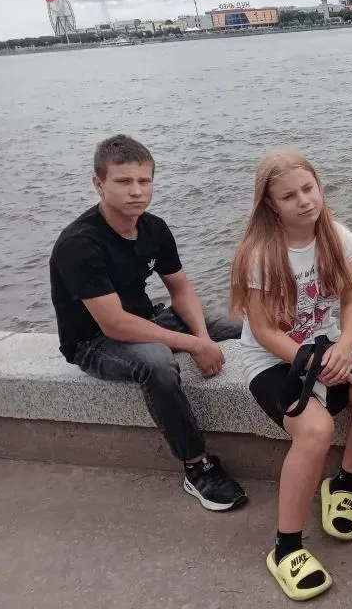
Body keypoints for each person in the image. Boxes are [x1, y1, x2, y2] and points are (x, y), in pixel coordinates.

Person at [230, 150, 352, 601]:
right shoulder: (259, 255)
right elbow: (264, 331)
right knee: (316, 430)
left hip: (328, 349)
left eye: (309, 189)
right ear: (270, 205)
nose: (304, 201)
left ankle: (343, 486)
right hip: (274, 361)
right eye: (289, 196)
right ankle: (286, 547)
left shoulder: (338, 238)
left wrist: (344, 346)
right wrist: (311, 361)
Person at [49, 135, 247, 511]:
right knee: (157, 362)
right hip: (94, 341)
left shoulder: (153, 228)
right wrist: (194, 345)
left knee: (237, 327)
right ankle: (197, 466)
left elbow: (181, 289)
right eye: (124, 181)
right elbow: (114, 325)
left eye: (144, 180)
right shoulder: (80, 244)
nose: (137, 191)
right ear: (99, 184)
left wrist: (203, 337)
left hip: (146, 317)